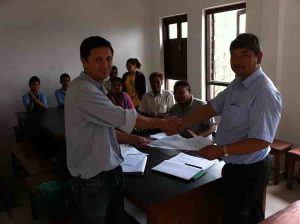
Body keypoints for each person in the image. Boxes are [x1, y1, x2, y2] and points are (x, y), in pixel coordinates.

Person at [64, 36, 180, 224]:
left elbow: (104, 129)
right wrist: (164, 123)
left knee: (116, 219)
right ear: (84, 61)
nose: (105, 64)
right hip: (93, 178)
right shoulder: (82, 90)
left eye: (109, 58)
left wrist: (132, 139)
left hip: (111, 171)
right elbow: (122, 116)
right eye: (98, 59)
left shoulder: (96, 86)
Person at [182, 33, 282, 224]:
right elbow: (212, 106)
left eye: (244, 55)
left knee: (240, 217)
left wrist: (221, 150)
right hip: (233, 165)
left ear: (258, 57)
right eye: (233, 55)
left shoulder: (265, 92)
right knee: (237, 214)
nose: (237, 61)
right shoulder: (237, 84)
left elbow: (261, 140)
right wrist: (181, 123)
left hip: (250, 170)